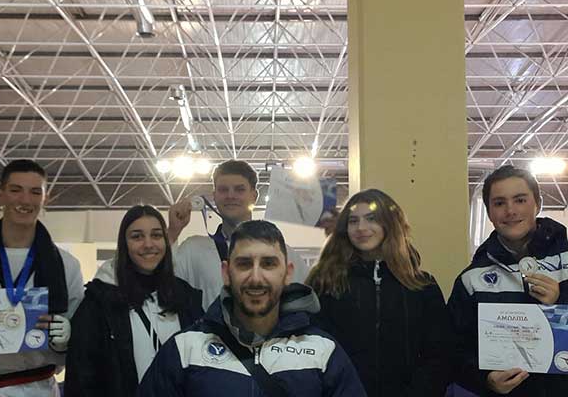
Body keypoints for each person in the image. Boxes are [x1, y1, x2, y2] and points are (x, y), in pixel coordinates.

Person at [137, 220, 366, 397]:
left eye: (268, 264)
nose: (256, 278)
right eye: (244, 264)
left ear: (287, 273)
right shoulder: (186, 349)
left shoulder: (323, 351)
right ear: (226, 273)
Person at [306, 189, 451, 396]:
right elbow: (313, 348)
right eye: (353, 221)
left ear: (390, 224)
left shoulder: (422, 286)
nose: (361, 228)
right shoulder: (325, 281)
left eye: (371, 219)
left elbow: (440, 354)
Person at [448, 165, 568, 396]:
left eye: (520, 200)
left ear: (538, 204)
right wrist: (485, 379)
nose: (510, 211)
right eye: (499, 203)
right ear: (489, 213)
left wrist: (560, 302)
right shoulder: (471, 279)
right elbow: (453, 349)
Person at [0, 159, 84, 397]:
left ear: (46, 199)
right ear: (0, 196)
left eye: (35, 192)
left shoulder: (66, 266)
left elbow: (82, 335)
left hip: (40, 388)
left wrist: (68, 337)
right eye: (15, 190)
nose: (25, 200)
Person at [64, 205, 204, 397]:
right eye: (137, 237)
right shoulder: (100, 301)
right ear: (124, 244)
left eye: (156, 235)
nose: (148, 244)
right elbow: (82, 375)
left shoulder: (185, 296)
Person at [168, 159, 309, 309]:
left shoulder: (282, 254)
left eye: (239, 189)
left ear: (254, 196)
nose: (230, 196)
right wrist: (172, 233)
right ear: (214, 196)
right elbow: (164, 287)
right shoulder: (193, 250)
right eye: (223, 190)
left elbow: (306, 302)